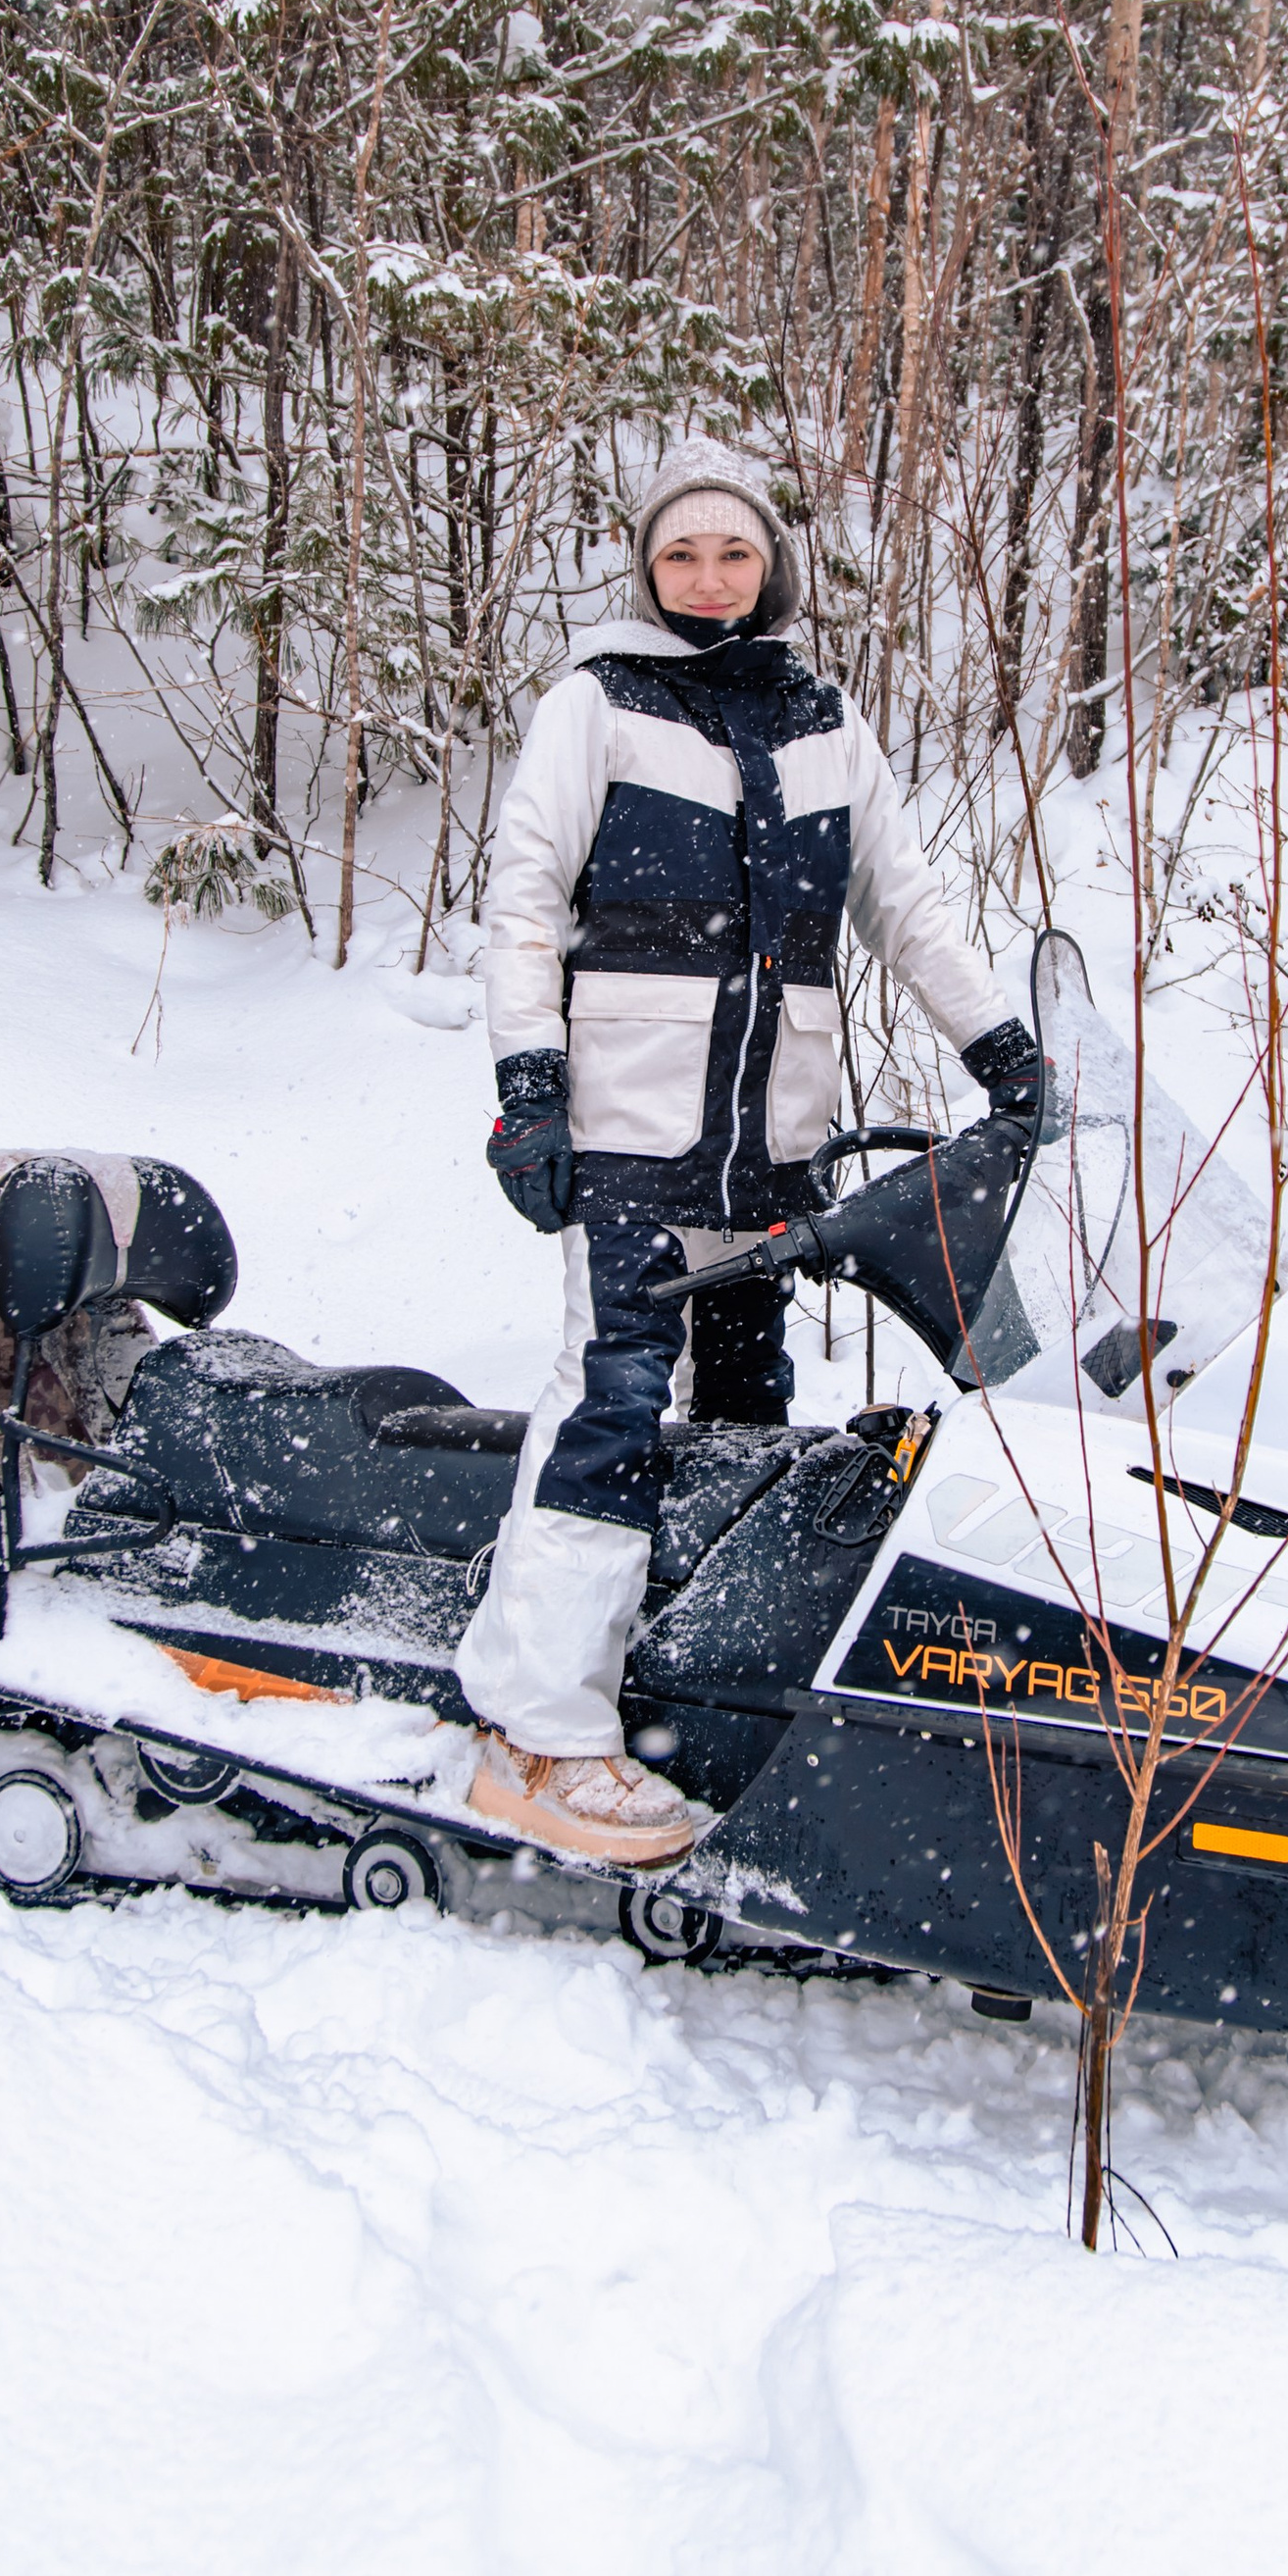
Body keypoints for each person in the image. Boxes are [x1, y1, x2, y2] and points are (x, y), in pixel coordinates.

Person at [456, 447, 1042, 1866]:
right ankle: (538, 1726)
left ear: (770, 567)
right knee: (612, 1400)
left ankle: (690, 1674)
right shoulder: (594, 704)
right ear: (648, 574)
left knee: (743, 1402)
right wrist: (529, 1086)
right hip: (633, 1132)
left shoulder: (823, 717)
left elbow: (902, 899)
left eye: (733, 554)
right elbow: (525, 894)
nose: (709, 579)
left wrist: (1002, 1047)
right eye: (681, 558)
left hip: (769, 1146)